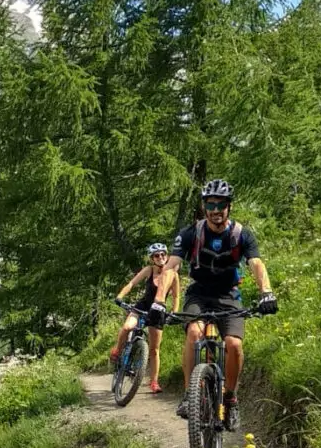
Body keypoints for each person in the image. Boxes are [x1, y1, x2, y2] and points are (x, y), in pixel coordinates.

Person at [166, 179, 277, 431]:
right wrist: (159, 302)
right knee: (194, 333)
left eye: (221, 205)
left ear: (229, 206)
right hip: (198, 295)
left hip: (229, 295)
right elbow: (171, 267)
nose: (216, 210)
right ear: (204, 207)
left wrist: (266, 293)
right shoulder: (191, 233)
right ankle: (189, 396)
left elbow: (256, 264)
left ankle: (230, 398)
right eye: (210, 204)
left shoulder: (241, 234)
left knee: (234, 344)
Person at [111, 243, 180, 394]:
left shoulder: (173, 275)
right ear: (152, 258)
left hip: (158, 312)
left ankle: (154, 382)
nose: (160, 257)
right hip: (141, 306)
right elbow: (132, 283)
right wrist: (120, 296)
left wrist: (174, 313)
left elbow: (175, 297)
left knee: (155, 349)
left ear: (167, 256)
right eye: (157, 255)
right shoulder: (148, 270)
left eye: (163, 254)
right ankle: (117, 350)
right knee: (127, 327)